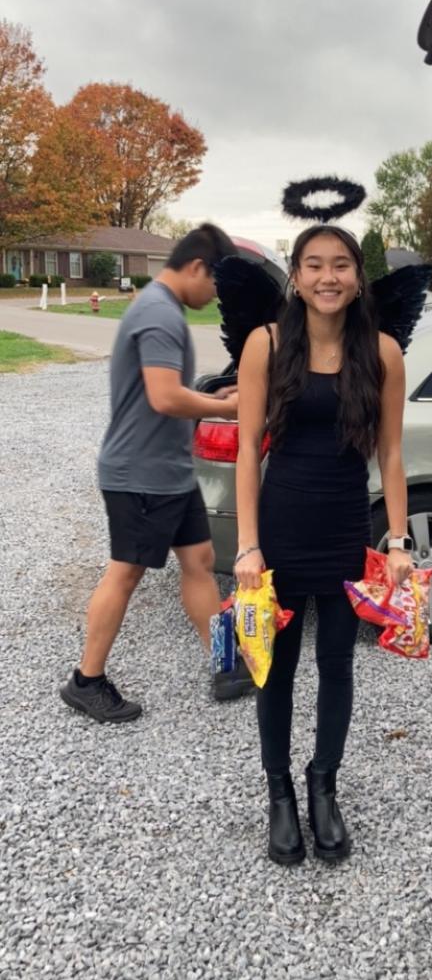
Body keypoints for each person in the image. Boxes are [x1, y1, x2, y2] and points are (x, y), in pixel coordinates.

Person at [234, 224, 414, 866]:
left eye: (341, 265)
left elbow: (391, 454)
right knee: (275, 669)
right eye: (314, 264)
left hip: (344, 530)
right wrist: (247, 546)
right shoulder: (266, 343)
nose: (327, 277)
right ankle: (279, 794)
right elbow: (247, 450)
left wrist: (398, 540)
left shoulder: (383, 352)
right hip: (281, 531)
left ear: (358, 278)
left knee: (337, 666)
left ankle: (323, 786)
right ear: (296, 276)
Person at [61, 223, 252, 724]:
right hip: (141, 473)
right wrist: (227, 408)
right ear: (197, 268)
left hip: (170, 472)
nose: (216, 297)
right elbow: (164, 397)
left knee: (200, 560)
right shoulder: (159, 314)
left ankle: (225, 664)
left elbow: (166, 391)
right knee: (126, 572)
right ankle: (86, 681)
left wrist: (213, 396)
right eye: (216, 285)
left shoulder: (160, 309)